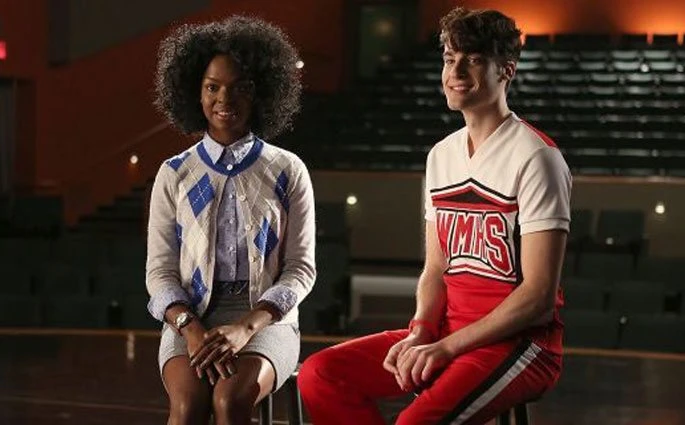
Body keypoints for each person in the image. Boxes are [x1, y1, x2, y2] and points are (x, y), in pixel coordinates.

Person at [298, 7, 571, 424]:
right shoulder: (441, 155)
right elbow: (435, 268)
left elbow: (538, 297)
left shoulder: (537, 157)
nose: (456, 71)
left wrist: (447, 347)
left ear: (507, 70)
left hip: (522, 344)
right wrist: (422, 329)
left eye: (473, 59)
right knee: (320, 374)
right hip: (448, 332)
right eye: (449, 58)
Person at [147, 15, 315, 425]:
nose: (225, 98)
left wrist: (246, 327)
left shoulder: (288, 170)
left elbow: (300, 270)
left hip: (267, 320)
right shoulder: (174, 173)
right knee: (188, 406)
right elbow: (159, 272)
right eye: (212, 87)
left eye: (241, 87)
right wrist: (190, 329)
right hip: (190, 317)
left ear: (261, 92)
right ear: (195, 91)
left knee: (230, 400)